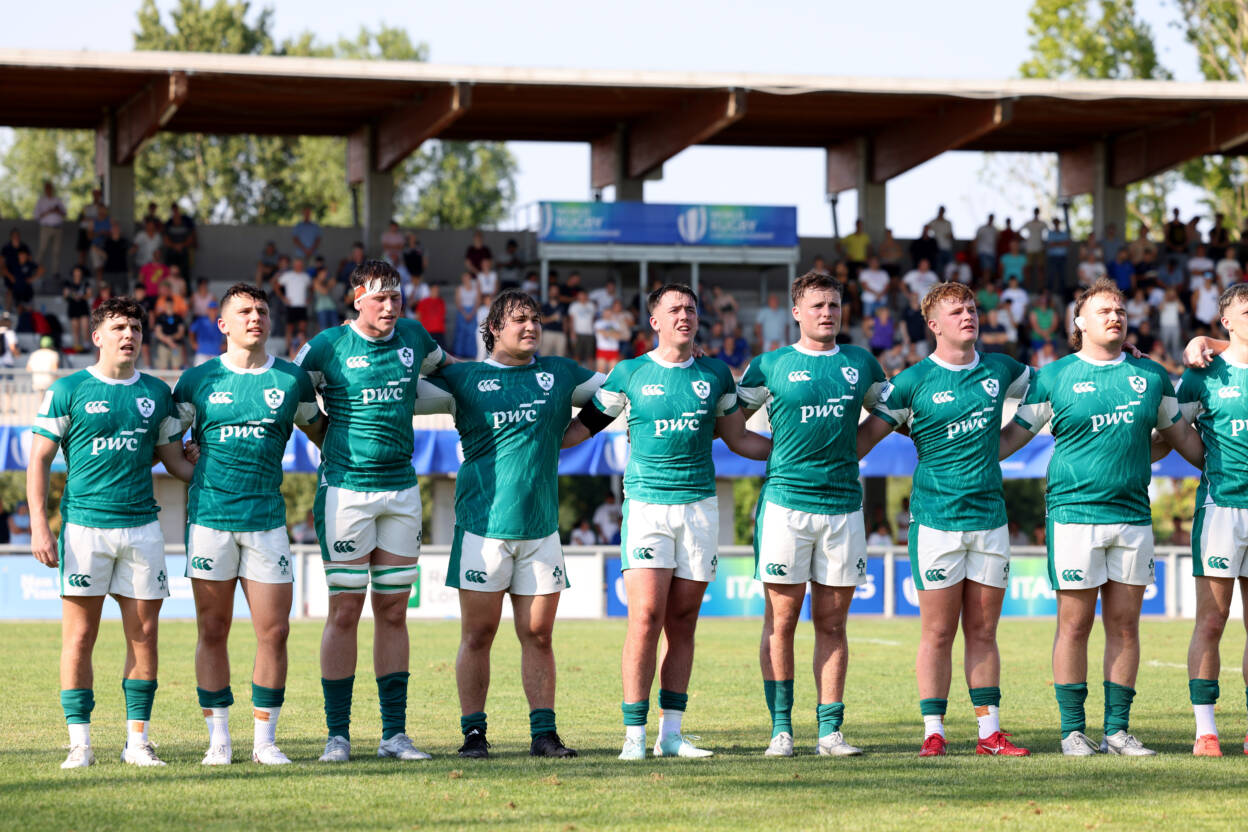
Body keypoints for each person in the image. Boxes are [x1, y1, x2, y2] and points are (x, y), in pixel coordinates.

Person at [562, 283, 771, 760]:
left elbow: (739, 439)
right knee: (645, 619)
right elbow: (581, 428)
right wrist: (531, 436)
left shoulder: (716, 374)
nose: (685, 315)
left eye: (691, 309)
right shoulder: (629, 373)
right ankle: (634, 736)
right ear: (654, 321)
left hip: (699, 508)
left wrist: (798, 455)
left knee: (683, 622)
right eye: (674, 309)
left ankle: (671, 735)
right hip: (647, 508)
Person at [1001, 278, 1204, 756]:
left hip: (1133, 516)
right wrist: (951, 448)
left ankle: (1117, 732)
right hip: (1073, 515)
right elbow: (1011, 439)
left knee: (1126, 627)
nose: (1115, 317)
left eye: (1120, 311)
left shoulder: (1151, 375)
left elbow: (1180, 440)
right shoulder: (1055, 376)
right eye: (1104, 311)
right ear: (1080, 322)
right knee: (1074, 626)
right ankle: (1073, 731)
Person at [413, 290, 605, 759]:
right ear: (494, 328)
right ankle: (473, 734)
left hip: (541, 530)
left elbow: (621, 391)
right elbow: (399, 389)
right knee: (478, 635)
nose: (531, 326)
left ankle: (544, 734)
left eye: (536, 319)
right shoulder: (463, 378)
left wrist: (577, 432)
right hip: (481, 529)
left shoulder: (560, 373)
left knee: (538, 634)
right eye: (520, 319)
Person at [857, 281, 1033, 758]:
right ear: (934, 325)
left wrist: (1007, 442)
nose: (968, 316)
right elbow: (862, 439)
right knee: (937, 632)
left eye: (971, 308)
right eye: (957, 312)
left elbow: (1051, 386)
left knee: (984, 632)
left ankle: (989, 734)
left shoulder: (1001, 368)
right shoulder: (912, 381)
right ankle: (933, 731)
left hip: (990, 519)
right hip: (935, 521)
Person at [294, 259, 450, 763]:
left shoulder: (414, 337)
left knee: (394, 611)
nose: (390, 305)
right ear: (357, 298)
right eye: (380, 297)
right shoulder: (326, 346)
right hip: (345, 491)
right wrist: (326, 439)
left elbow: (450, 373)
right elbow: (292, 398)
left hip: (401, 491)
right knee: (344, 610)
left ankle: (394, 735)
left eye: (396, 296)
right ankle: (337, 735)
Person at [27, 297, 190, 769]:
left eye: (136, 327)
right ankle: (80, 743)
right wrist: (40, 524)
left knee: (144, 636)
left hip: (142, 528)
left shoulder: (157, 392)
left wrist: (205, 461)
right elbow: (38, 459)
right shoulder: (68, 389)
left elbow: (174, 462)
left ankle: (137, 742)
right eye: (119, 327)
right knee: (80, 638)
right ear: (97, 336)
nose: (129, 335)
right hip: (84, 529)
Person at [171, 283, 324, 766]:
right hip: (210, 520)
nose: (254, 317)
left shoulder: (291, 379)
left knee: (274, 632)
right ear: (222, 324)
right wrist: (190, 459)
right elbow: (168, 446)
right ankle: (219, 740)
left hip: (266, 522)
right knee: (212, 629)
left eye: (261, 310)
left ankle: (265, 741)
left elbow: (322, 433)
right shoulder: (196, 380)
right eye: (243, 311)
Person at [737, 271, 887, 758]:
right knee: (781, 622)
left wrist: (852, 450)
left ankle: (829, 733)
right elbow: (729, 424)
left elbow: (890, 414)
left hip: (843, 507)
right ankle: (781, 730)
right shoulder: (769, 365)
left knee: (833, 624)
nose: (827, 313)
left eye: (834, 305)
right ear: (796, 312)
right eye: (818, 305)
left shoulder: (861, 363)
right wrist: (778, 453)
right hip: (786, 506)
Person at [1175, 283, 1248, 756]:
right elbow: (1173, 429)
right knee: (1212, 620)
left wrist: (1206, 340)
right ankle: (1206, 731)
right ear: (1227, 321)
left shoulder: (1210, 347)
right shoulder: (1203, 374)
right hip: (1221, 508)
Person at [276, 257, 311, 356]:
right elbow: (277, 286)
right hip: (291, 306)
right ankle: (288, 349)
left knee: (302, 329)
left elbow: (311, 288)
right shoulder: (288, 275)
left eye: (300, 264)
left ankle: (302, 349)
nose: (299, 266)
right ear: (294, 265)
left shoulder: (306, 276)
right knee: (289, 328)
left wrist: (309, 298)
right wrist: (283, 298)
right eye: (297, 264)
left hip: (302, 306)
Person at [35, 181, 67, 279]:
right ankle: (34, 269)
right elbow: (36, 216)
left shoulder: (57, 200)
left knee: (56, 251)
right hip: (46, 228)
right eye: (47, 188)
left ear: (52, 189)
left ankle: (55, 272)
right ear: (45, 189)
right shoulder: (41, 201)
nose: (49, 190)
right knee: (42, 249)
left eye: (50, 188)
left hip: (58, 228)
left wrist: (57, 210)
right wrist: (48, 211)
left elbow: (64, 213)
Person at [64, 265, 92, 352]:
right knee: (75, 328)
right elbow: (65, 295)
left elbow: (89, 294)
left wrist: (81, 296)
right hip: (73, 306)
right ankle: (76, 346)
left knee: (85, 327)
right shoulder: (68, 283)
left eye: (79, 272)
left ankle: (86, 346)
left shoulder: (85, 283)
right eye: (76, 272)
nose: (77, 274)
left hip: (83, 306)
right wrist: (72, 296)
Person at [163, 203, 197, 275]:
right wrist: (174, 246)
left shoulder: (186, 222)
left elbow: (191, 237)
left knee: (184, 271)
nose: (176, 217)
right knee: (170, 269)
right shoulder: (169, 223)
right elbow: (166, 239)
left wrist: (182, 245)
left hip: (184, 250)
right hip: (172, 251)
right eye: (174, 217)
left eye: (177, 216)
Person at [188, 301, 224, 365]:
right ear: (208, 310)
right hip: (202, 352)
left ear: (217, 310)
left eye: (214, 309)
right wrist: (192, 342)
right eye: (211, 309)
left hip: (216, 352)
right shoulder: (200, 320)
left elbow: (230, 331)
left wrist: (226, 344)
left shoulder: (221, 321)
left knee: (215, 371)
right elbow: (191, 330)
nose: (212, 312)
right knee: (199, 371)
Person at [416, 283, 447, 350]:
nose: (436, 292)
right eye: (434, 290)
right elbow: (418, 316)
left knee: (442, 351)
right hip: (428, 331)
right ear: (430, 290)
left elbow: (442, 315)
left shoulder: (441, 302)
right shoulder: (423, 302)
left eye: (437, 290)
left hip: (439, 331)